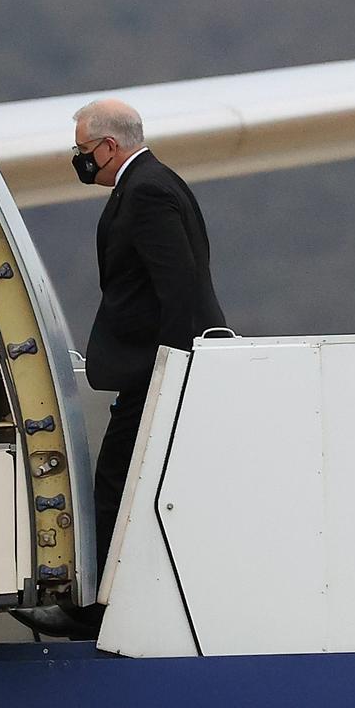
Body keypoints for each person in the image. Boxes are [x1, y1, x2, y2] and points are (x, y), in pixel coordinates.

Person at [71, 99, 227, 582]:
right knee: (123, 481)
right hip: (154, 367)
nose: (78, 160)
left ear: (109, 146)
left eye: (83, 150)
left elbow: (178, 286)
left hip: (157, 370)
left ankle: (100, 604)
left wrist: (170, 371)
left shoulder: (145, 192)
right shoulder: (155, 182)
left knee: (116, 483)